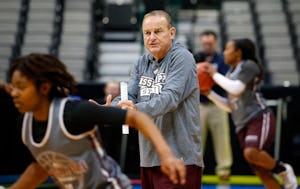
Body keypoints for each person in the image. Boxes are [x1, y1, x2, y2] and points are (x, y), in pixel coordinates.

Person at [5, 53, 186, 189]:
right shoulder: (26, 124)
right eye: (13, 87)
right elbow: (41, 167)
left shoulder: (75, 112)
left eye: (21, 87)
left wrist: (167, 156)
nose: (14, 93)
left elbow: (136, 117)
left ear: (44, 87)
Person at [108, 10, 203, 189]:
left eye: (158, 31)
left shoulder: (182, 57)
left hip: (180, 158)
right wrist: (110, 110)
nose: (152, 37)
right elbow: (129, 96)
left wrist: (134, 110)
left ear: (171, 32)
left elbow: (170, 98)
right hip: (149, 158)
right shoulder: (141, 62)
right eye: (147, 33)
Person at [202, 38, 298, 189]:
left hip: (259, 117)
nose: (224, 52)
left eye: (227, 49)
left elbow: (236, 89)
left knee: (251, 152)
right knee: (260, 170)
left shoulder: (249, 65)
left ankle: (283, 169)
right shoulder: (229, 73)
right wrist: (208, 93)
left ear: (238, 52)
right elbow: (229, 106)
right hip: (242, 124)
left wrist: (214, 75)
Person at [193, 30, 232, 180]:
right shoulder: (196, 58)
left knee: (222, 138)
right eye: (204, 43)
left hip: (217, 104)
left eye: (209, 43)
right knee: (196, 138)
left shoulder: (222, 60)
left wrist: (211, 75)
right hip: (199, 105)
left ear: (215, 43)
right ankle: (196, 168)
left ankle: (224, 169)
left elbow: (226, 82)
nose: (207, 46)